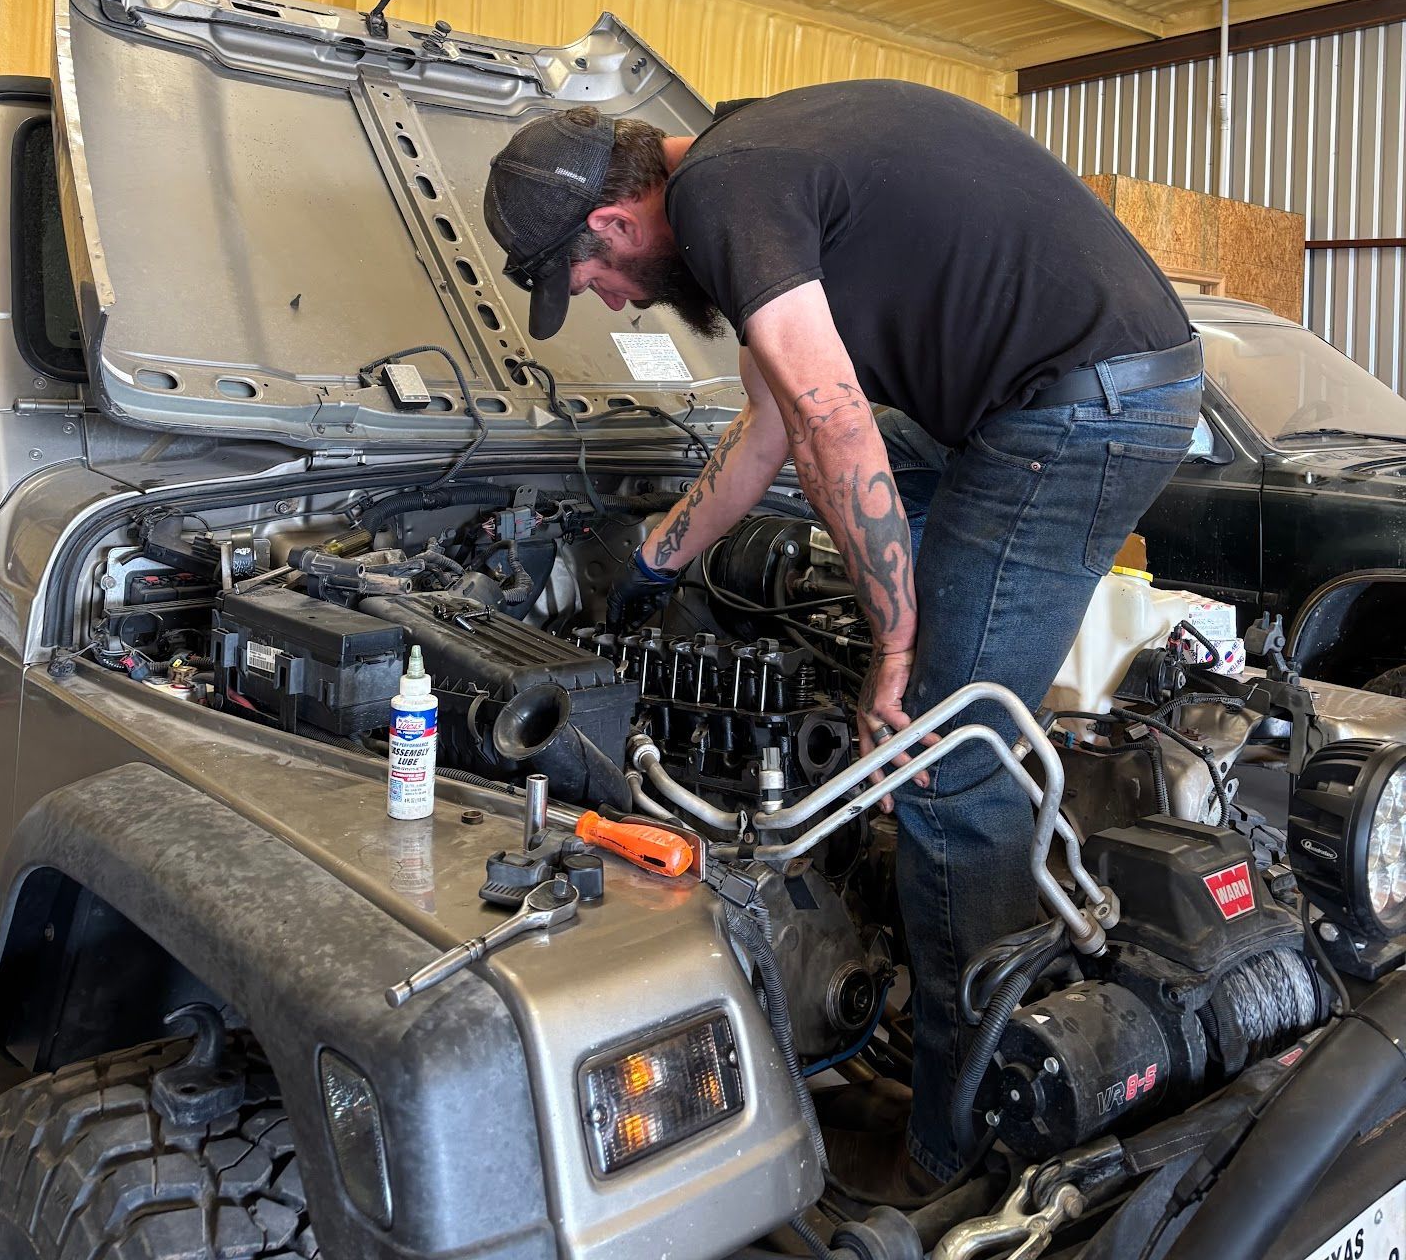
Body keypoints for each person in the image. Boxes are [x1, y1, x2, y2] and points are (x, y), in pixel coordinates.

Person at [482, 82, 1202, 1198]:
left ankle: (968, 1145)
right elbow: (773, 428)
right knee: (839, 502)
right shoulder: (757, 151)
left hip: (1078, 412)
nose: (614, 305)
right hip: (1078, 390)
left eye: (592, 280)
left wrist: (901, 649)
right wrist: (659, 560)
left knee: (942, 761)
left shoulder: (726, 189)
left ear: (614, 224)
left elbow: (833, 422)